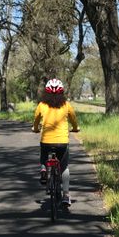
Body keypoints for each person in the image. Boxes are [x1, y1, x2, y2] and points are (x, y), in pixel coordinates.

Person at [32, 77, 79, 207]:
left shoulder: (41, 105)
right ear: (61, 92)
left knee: (43, 157)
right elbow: (73, 119)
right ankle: (66, 195)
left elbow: (36, 119)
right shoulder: (66, 105)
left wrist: (35, 129)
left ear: (46, 92)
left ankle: (43, 169)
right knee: (64, 167)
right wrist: (75, 128)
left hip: (46, 141)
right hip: (62, 142)